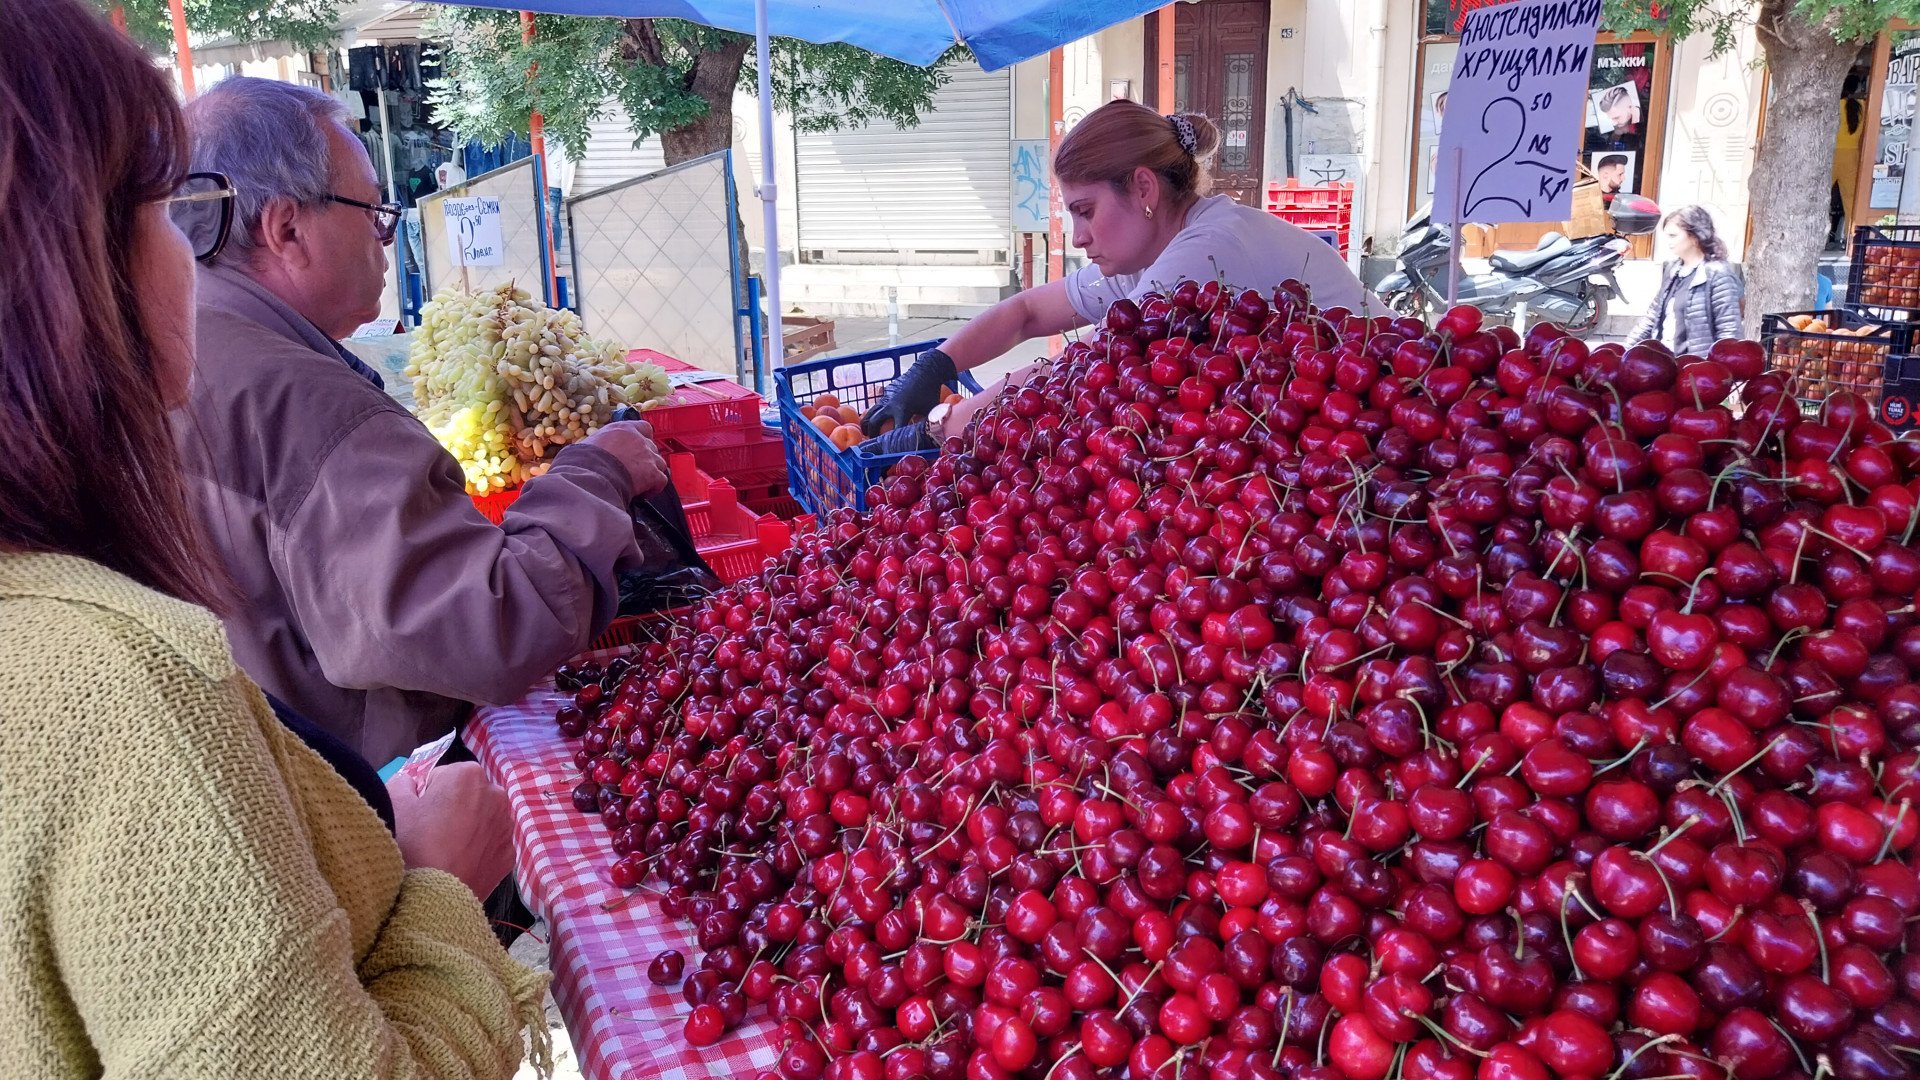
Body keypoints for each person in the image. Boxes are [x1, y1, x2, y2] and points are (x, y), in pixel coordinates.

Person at [0, 1, 546, 1075]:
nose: (189, 258)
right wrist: (438, 886)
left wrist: (339, 825)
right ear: (66, 270)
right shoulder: (127, 686)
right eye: (170, 212)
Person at [175, 77, 667, 767]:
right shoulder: (305, 406)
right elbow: (494, 625)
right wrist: (599, 471)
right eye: (375, 212)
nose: (384, 239)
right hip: (351, 801)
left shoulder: (171, 338)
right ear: (286, 229)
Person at [862, 99, 1374, 448]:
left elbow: (1080, 366)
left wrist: (940, 425)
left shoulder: (1206, 251)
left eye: (1086, 211)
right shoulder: (1149, 252)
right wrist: (933, 368)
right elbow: (1026, 313)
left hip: (1379, 428)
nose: (1079, 236)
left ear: (1144, 189)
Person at [1629, 205, 1744, 355]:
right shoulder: (1673, 270)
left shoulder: (1718, 274)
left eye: (1673, 235)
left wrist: (1717, 371)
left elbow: (1729, 333)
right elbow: (1652, 317)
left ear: (1694, 237)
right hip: (1666, 365)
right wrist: (1624, 351)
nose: (1668, 241)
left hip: (1697, 372)